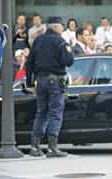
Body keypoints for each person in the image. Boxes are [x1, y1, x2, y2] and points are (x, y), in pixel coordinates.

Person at [26, 16, 74, 158]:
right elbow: (68, 61)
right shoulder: (61, 41)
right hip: (55, 81)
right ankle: (52, 148)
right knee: (55, 113)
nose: (63, 28)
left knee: (41, 112)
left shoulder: (38, 40)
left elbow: (30, 63)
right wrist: (69, 49)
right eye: (62, 26)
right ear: (57, 27)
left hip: (40, 80)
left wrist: (30, 82)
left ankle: (35, 147)